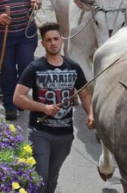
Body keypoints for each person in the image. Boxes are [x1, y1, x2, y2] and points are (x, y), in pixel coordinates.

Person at [13, 23, 94, 193]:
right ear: (43, 44)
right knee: (40, 179)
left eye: (56, 39)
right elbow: (18, 98)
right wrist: (43, 107)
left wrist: (91, 113)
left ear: (62, 40)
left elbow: (85, 94)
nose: (53, 43)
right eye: (48, 40)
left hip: (65, 135)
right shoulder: (35, 67)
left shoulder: (73, 67)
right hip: (40, 132)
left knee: (52, 180)